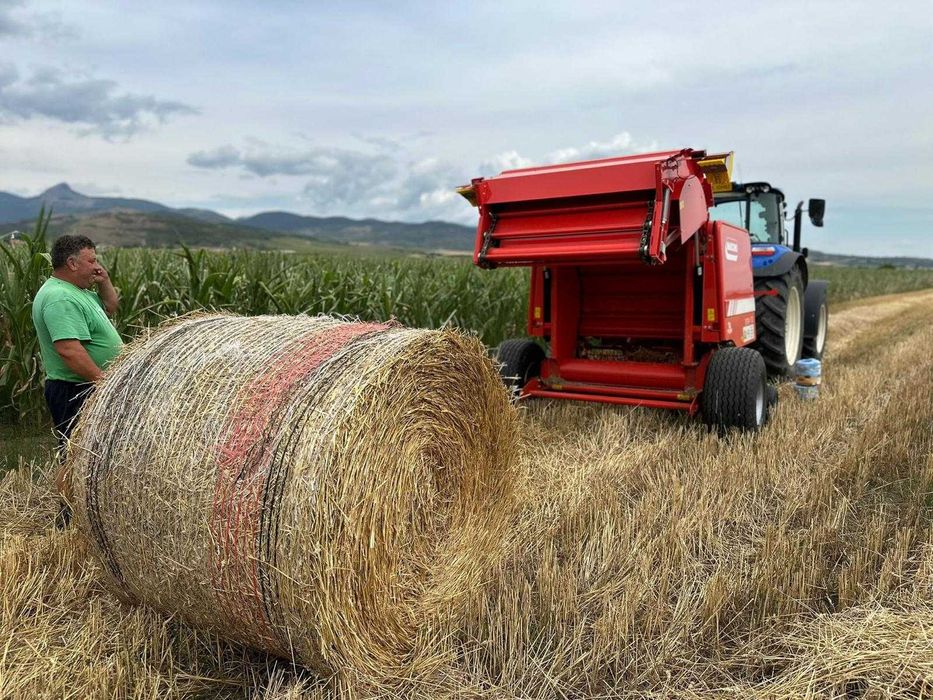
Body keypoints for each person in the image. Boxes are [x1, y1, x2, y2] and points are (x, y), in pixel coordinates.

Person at [32, 235, 122, 518]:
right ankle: (68, 518)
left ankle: (89, 514)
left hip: (88, 385)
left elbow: (110, 306)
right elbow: (69, 350)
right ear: (72, 263)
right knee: (74, 456)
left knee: (91, 454)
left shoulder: (77, 291)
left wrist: (104, 281)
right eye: (91, 260)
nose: (97, 265)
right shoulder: (59, 297)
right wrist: (105, 383)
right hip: (75, 389)